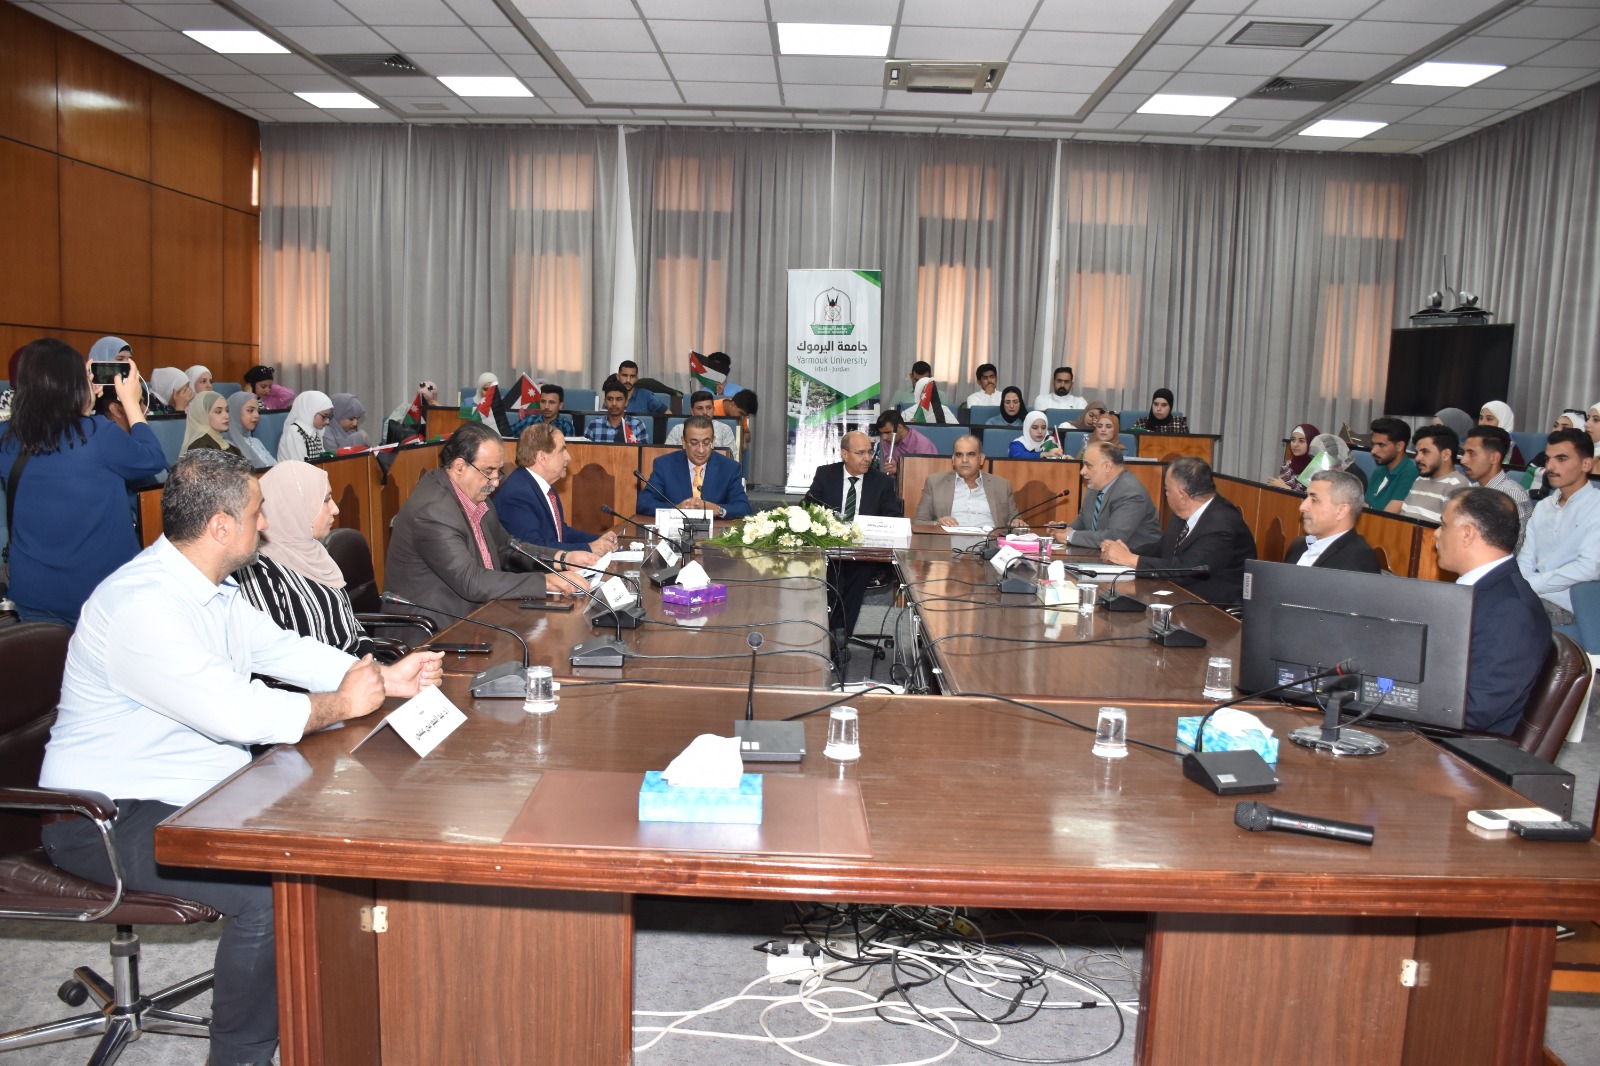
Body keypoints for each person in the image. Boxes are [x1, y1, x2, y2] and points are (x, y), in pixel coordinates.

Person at [38, 448, 444, 1066]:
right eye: (257, 514)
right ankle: (240, 1056)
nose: (266, 524)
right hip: (103, 817)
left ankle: (329, 1011)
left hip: (193, 794)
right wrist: (342, 703)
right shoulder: (140, 607)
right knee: (271, 892)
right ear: (220, 526)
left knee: (332, 833)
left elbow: (281, 650)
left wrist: (384, 679)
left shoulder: (211, 589)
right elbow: (238, 713)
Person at [0, 339, 166, 624]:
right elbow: (152, 459)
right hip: (98, 596)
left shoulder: (6, 438)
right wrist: (130, 401)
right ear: (73, 384)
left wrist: (81, 405)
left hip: (34, 594)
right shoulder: (98, 433)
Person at [385, 422, 572, 627]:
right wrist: (545, 582)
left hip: (480, 614)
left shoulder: (478, 498)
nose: (495, 482)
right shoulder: (433, 510)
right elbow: (471, 581)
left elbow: (508, 548)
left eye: (498, 471)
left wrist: (563, 559)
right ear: (459, 466)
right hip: (437, 628)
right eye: (488, 471)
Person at [1434, 487, 1552, 734]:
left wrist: (1395, 702)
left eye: (1443, 525)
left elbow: (1472, 712)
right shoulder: (1484, 590)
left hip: (1460, 747)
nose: (1436, 533)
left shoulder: (1511, 611)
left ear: (1467, 534)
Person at [234, 461, 374, 658]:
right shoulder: (258, 570)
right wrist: (354, 669)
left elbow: (348, 624)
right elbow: (275, 655)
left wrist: (370, 658)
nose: (335, 509)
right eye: (326, 500)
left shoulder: (315, 552)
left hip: (355, 666)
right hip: (324, 675)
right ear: (294, 506)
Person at [1101, 457, 1256, 605]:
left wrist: (1131, 560)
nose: (1166, 495)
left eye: (1167, 490)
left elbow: (1187, 570)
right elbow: (1162, 547)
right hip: (1179, 596)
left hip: (1212, 609)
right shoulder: (1183, 513)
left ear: (1182, 496)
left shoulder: (1221, 525)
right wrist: (1127, 552)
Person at [803, 431, 902, 646]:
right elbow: (808, 507)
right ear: (845, 454)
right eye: (860, 453)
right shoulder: (825, 475)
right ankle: (837, 634)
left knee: (858, 573)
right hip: (830, 551)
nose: (867, 458)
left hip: (864, 555)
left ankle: (837, 636)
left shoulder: (882, 482)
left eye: (870, 452)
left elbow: (893, 519)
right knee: (830, 574)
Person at [492, 423, 617, 563]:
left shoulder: (543, 487)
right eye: (562, 450)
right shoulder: (517, 494)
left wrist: (598, 540)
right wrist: (589, 548)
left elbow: (561, 533)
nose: (568, 457)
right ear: (542, 457)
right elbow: (533, 549)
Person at [1517, 428, 1600, 626]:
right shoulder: (1543, 506)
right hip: (1531, 597)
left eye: (1561, 459)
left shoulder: (1596, 507)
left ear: (1586, 464)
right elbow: (1526, 557)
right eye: (1548, 459)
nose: (1550, 466)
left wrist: (1530, 585)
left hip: (1569, 605)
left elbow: (1589, 568)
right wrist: (1520, 587)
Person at [639, 415, 752, 519]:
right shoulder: (664, 465)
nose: (701, 450)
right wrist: (675, 509)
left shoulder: (729, 468)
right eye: (694, 443)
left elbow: (744, 507)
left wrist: (718, 510)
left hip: (714, 532)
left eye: (706, 442)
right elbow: (644, 503)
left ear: (713, 441)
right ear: (684, 442)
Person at [1057, 441, 1161, 550]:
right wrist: (1063, 530)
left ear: (1107, 466)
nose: (1082, 471)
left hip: (1136, 556)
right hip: (1101, 554)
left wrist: (1070, 536)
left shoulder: (1131, 493)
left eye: (1088, 465)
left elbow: (1114, 537)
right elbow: (1083, 521)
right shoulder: (1094, 487)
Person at [1284, 469, 1382, 572]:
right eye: (1306, 498)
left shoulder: (1359, 560)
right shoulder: (1300, 545)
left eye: (1314, 500)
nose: (1302, 507)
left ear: (1341, 511)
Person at [913, 435, 1018, 529]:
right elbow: (918, 522)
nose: (964, 460)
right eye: (959, 455)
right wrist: (937, 523)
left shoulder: (1002, 485)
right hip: (949, 541)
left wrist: (1016, 523)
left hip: (989, 541)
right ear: (953, 459)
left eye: (971, 454)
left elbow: (1014, 521)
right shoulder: (935, 483)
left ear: (981, 459)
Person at [1460, 425, 1532, 541]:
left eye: (1471, 453)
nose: (1463, 460)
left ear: (1494, 458)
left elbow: (1512, 546)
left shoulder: (1512, 496)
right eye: (1464, 453)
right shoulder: (1471, 490)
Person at [1392, 425, 1469, 525]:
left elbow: (1451, 530)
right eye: (1417, 452)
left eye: (1425, 452)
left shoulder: (1458, 486)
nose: (1417, 458)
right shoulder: (1420, 480)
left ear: (1445, 455)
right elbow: (1403, 518)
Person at [1364, 417, 1418, 511]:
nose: (1373, 451)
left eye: (1381, 445)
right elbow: (1365, 508)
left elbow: (1389, 516)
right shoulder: (1378, 472)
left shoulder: (1411, 474)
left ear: (1399, 446)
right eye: (1373, 444)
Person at [583, 376, 650, 443]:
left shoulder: (637, 425)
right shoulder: (594, 425)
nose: (614, 403)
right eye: (610, 399)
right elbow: (584, 449)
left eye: (619, 399)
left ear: (626, 402)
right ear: (605, 402)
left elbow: (643, 449)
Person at [873, 409, 937, 476]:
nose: (884, 437)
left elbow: (927, 472)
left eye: (887, 432)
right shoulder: (887, 441)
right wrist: (892, 469)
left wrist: (900, 469)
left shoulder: (922, 444)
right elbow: (890, 467)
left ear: (900, 427)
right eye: (882, 433)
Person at [665, 390, 736, 449]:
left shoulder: (724, 430)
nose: (705, 412)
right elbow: (667, 455)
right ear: (692, 411)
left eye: (709, 408)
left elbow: (731, 458)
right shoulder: (678, 430)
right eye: (700, 408)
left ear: (714, 409)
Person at [277, 390, 333, 462]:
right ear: (311, 411)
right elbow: (301, 465)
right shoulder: (295, 432)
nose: (327, 421)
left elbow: (322, 459)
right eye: (324, 416)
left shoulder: (316, 431)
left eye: (329, 417)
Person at [226, 390, 276, 469]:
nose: (257, 415)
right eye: (250, 410)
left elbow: (275, 466)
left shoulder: (256, 442)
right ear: (235, 412)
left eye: (258, 411)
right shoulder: (228, 447)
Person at [182, 390, 241, 455]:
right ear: (203, 415)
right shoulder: (198, 447)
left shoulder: (231, 448)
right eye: (218, 412)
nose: (226, 416)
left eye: (227, 410)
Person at [508, 383, 576, 438]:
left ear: (560, 405)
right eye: (543, 402)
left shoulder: (566, 426)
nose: (546, 407)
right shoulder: (529, 420)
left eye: (551, 402)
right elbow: (507, 435)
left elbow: (569, 449)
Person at [1269, 423, 1319, 489]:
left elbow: (1311, 494)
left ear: (1311, 443)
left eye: (1301, 441)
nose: (1295, 445)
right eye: (1293, 440)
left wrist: (1285, 487)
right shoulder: (1287, 466)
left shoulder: (1318, 470)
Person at [1477, 400, 1526, 465]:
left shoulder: (1509, 448)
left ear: (1503, 421)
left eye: (1489, 419)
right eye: (1481, 418)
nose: (1482, 423)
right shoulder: (1475, 441)